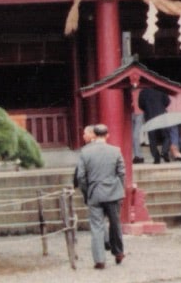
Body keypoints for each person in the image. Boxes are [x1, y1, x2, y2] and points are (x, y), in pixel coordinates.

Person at [72, 124, 127, 269]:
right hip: (113, 192)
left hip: (94, 192)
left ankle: (99, 259)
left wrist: (86, 191)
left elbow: (81, 177)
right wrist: (120, 190)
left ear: (94, 135)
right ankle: (118, 252)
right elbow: (121, 172)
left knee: (96, 226)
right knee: (115, 224)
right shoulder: (115, 151)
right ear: (107, 135)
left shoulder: (85, 152)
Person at [138, 82, 171, 164]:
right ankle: (164, 151)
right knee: (166, 135)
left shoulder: (143, 92)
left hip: (149, 116)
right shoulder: (161, 89)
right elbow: (167, 102)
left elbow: (140, 105)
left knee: (152, 138)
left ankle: (156, 158)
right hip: (161, 115)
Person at [126, 79, 146, 164]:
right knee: (132, 136)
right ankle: (136, 155)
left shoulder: (142, 90)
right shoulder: (128, 90)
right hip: (131, 112)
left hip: (139, 112)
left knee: (135, 135)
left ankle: (139, 155)